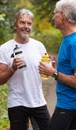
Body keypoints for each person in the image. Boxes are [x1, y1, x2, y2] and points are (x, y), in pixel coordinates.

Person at [0, 8, 50, 130]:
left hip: (37, 100)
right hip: (17, 102)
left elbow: (45, 72)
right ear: (15, 25)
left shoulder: (39, 46)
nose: (26, 26)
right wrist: (12, 68)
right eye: (22, 22)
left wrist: (50, 68)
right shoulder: (5, 48)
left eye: (29, 23)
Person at [38, 0, 76, 130]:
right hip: (67, 105)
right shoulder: (67, 39)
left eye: (55, 13)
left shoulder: (73, 43)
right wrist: (53, 68)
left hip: (69, 106)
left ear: (63, 15)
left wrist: (53, 73)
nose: (53, 16)